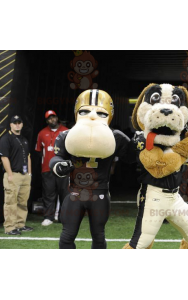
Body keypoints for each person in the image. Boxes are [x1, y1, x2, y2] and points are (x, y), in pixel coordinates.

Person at [49, 89, 135, 249]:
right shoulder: (66, 135)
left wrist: (138, 143)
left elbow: (131, 158)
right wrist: (58, 166)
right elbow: (56, 158)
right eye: (85, 111)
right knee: (67, 236)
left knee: (98, 236)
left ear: (109, 114)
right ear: (77, 112)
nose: (92, 116)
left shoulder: (115, 136)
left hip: (99, 193)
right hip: (75, 192)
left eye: (101, 113)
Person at [0, 115, 33, 235]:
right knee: (10, 202)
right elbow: (4, 157)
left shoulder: (24, 139)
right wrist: (9, 174)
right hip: (13, 174)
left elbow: (28, 156)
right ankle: (9, 227)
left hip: (24, 175)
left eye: (19, 122)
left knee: (23, 201)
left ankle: (20, 224)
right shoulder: (6, 138)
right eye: (15, 123)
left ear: (22, 124)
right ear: (11, 125)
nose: (17, 124)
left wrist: (30, 173)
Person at [35, 110, 69, 226]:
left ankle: (63, 218)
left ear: (57, 117)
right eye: (49, 118)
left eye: (53, 117)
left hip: (63, 169)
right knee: (48, 194)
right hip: (47, 169)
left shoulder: (66, 131)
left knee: (64, 193)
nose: (52, 120)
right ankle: (48, 217)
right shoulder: (41, 133)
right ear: (46, 121)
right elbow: (39, 151)